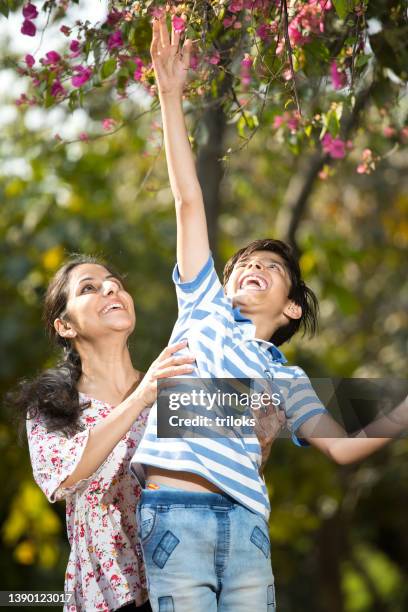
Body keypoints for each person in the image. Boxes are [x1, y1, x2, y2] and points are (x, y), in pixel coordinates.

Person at [130, 16, 408, 612]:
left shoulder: (286, 378)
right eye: (244, 264)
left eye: (271, 268)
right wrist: (169, 95)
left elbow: (340, 447)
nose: (252, 267)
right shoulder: (202, 308)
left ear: (288, 308)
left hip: (251, 526)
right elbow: (188, 200)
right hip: (176, 513)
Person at [9, 254, 196, 612]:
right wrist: (141, 398)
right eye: (89, 288)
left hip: (181, 585)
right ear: (65, 326)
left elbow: (227, 471)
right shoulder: (51, 405)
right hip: (105, 595)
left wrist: (260, 441)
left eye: (115, 283)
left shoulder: (173, 391)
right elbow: (63, 476)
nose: (111, 287)